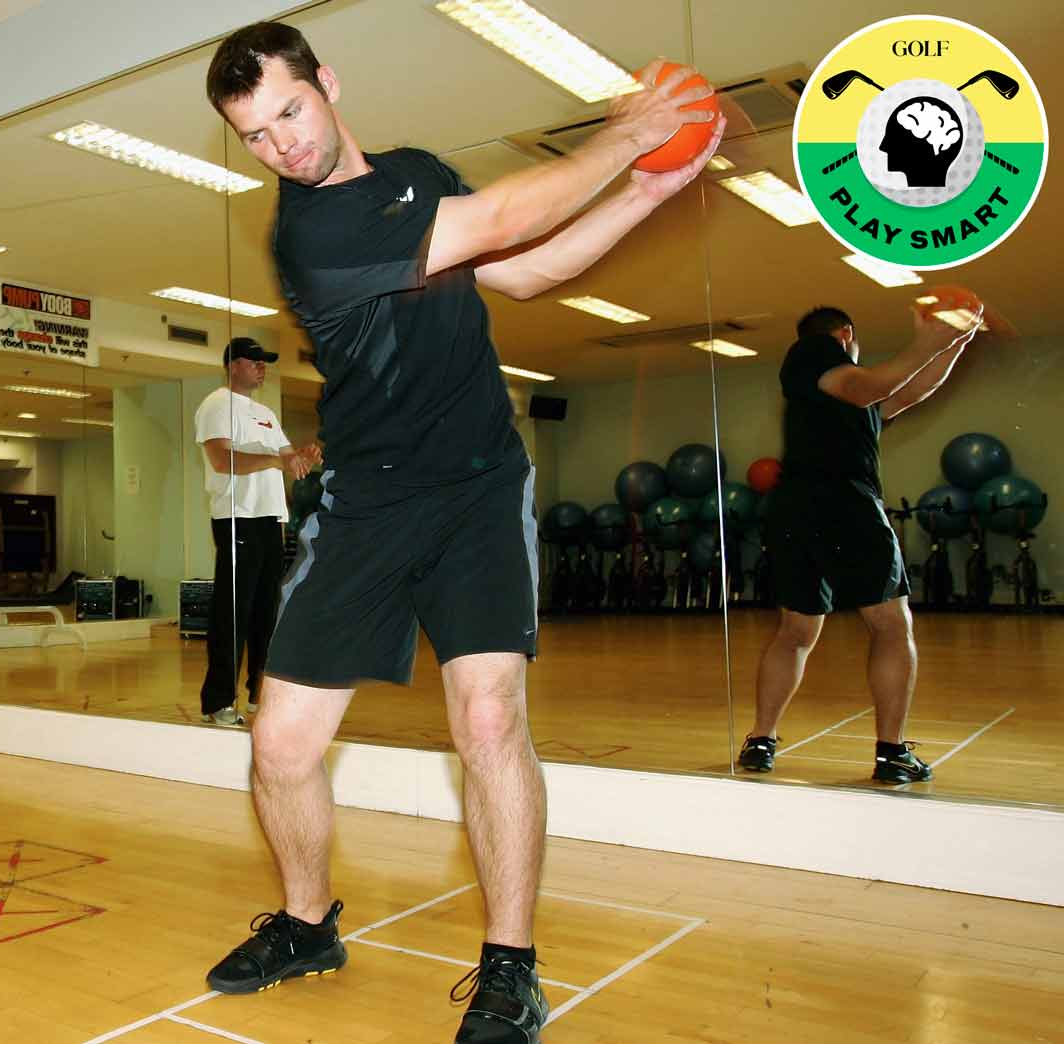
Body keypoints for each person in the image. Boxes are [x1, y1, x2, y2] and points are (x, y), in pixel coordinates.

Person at [201, 22, 723, 1044]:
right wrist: (626, 137)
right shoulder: (311, 234)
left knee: (487, 723)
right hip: (368, 502)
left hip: (478, 488)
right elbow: (499, 214)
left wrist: (644, 191)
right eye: (254, 136)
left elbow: (520, 267)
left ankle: (509, 966)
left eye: (289, 113)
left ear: (326, 84)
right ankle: (306, 925)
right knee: (278, 744)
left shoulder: (412, 176)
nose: (282, 146)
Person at [738, 304, 981, 784]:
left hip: (796, 507)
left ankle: (760, 742)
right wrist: (930, 339)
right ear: (846, 334)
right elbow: (869, 384)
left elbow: (910, 390)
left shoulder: (843, 400)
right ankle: (892, 754)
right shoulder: (813, 350)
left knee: (796, 631)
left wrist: (955, 341)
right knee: (890, 625)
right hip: (844, 502)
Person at [194, 337, 318, 727]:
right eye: (255, 361)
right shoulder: (216, 404)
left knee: (266, 614)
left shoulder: (265, 412)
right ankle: (218, 701)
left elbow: (286, 458)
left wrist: (303, 458)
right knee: (233, 613)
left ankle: (257, 694)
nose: (262, 367)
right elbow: (220, 460)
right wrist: (275, 460)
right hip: (237, 519)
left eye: (265, 362)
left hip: (270, 520)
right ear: (233, 366)